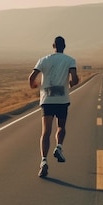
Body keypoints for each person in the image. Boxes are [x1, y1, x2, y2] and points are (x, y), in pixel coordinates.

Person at [29, 36, 79, 178]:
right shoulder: (70, 60)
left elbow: (31, 78)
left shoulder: (43, 60)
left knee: (46, 132)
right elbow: (74, 79)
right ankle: (59, 147)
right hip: (62, 99)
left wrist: (33, 86)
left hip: (47, 99)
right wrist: (72, 82)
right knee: (61, 127)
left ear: (53, 45)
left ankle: (44, 161)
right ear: (65, 46)